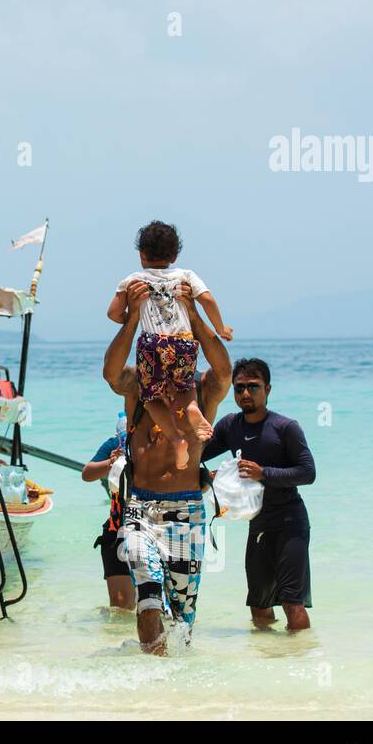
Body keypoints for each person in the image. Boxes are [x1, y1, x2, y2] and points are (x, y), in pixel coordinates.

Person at [102, 279, 232, 654]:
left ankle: (173, 691)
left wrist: (193, 313)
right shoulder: (141, 391)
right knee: (149, 594)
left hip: (187, 511)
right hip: (140, 509)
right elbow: (111, 373)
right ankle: (151, 672)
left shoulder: (202, 394)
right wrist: (132, 320)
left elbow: (224, 370)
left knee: (183, 616)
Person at [106, 221, 233, 471]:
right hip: (184, 341)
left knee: (150, 396)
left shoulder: (133, 280)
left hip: (152, 344)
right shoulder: (185, 276)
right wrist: (220, 327)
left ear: (142, 255)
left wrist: (131, 316)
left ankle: (176, 439)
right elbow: (208, 298)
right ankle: (192, 408)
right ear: (174, 255)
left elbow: (112, 312)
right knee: (186, 388)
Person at [201, 358, 316, 631]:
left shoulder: (285, 427)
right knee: (259, 603)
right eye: (239, 388)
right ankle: (265, 658)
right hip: (259, 525)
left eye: (253, 387)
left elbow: (307, 472)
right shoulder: (231, 425)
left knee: (292, 601)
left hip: (290, 521)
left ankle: (299, 658)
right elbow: (198, 455)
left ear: (268, 389)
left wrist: (263, 472)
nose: (245, 394)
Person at [82, 435, 133, 610]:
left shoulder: (167, 440)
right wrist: (110, 463)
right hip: (117, 529)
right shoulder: (118, 443)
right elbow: (87, 474)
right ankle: (113, 638)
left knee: (158, 605)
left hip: (156, 529)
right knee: (121, 608)